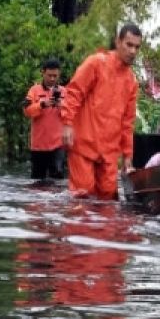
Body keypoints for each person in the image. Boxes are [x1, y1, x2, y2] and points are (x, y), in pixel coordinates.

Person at [59, 24, 141, 199]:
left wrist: (128, 157)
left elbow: (128, 122)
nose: (133, 51)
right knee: (83, 197)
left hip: (109, 154)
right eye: (129, 44)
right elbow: (74, 93)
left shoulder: (131, 82)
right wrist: (67, 123)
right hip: (83, 145)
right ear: (117, 42)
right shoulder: (96, 63)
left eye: (137, 47)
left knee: (108, 199)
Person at [22, 58, 66, 182]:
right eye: (49, 75)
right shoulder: (34, 90)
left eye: (55, 76)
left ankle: (56, 202)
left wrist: (61, 105)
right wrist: (42, 104)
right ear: (43, 72)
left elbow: (73, 113)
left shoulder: (65, 92)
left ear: (59, 74)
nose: (52, 79)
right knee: (37, 181)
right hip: (38, 146)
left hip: (58, 145)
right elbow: (26, 111)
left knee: (57, 179)